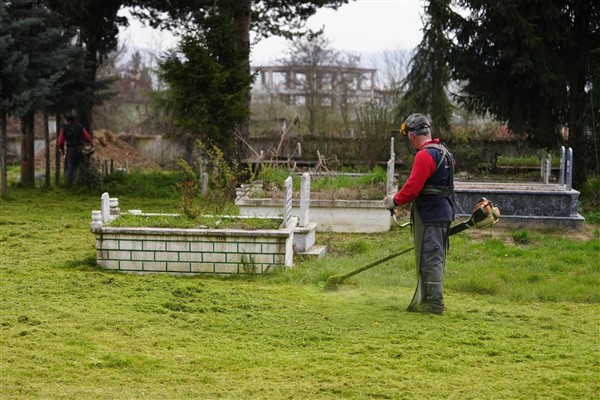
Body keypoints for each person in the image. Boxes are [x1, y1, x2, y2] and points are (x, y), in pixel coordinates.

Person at [383, 113, 455, 315]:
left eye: (408, 138)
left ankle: (434, 304)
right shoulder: (444, 151)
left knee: (431, 258)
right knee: (435, 256)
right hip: (443, 212)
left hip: (431, 215)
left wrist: (394, 200)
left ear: (413, 136)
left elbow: (413, 188)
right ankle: (428, 300)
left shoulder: (424, 155)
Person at [57, 115, 94, 188]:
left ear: (67, 120)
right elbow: (87, 137)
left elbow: (60, 141)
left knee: (71, 168)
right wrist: (90, 143)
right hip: (80, 149)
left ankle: (69, 186)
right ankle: (83, 184)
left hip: (70, 149)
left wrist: (61, 148)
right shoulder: (79, 126)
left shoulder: (65, 128)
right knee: (82, 166)